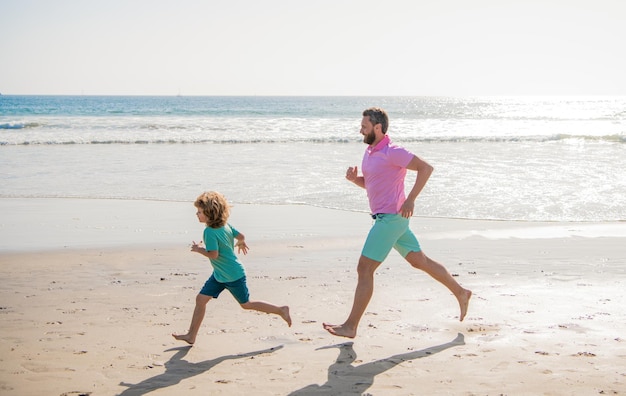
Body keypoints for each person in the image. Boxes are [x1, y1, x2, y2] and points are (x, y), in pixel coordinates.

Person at [323, 107, 472, 339]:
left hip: (390, 219)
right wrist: (355, 180)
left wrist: (411, 199)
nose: (360, 130)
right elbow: (373, 185)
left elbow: (426, 168)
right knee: (419, 260)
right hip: (393, 219)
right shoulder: (371, 152)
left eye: (364, 126)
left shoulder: (393, 151)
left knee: (365, 268)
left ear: (378, 127)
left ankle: (351, 326)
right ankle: (461, 292)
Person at [173, 191, 291, 345]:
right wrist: (241, 242)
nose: (197, 214)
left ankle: (280, 310)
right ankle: (191, 335)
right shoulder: (225, 225)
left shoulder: (209, 232)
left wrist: (198, 249)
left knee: (246, 305)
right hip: (221, 274)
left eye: (200, 212)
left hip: (232, 275)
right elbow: (241, 235)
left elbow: (213, 254)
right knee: (201, 299)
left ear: (210, 213)